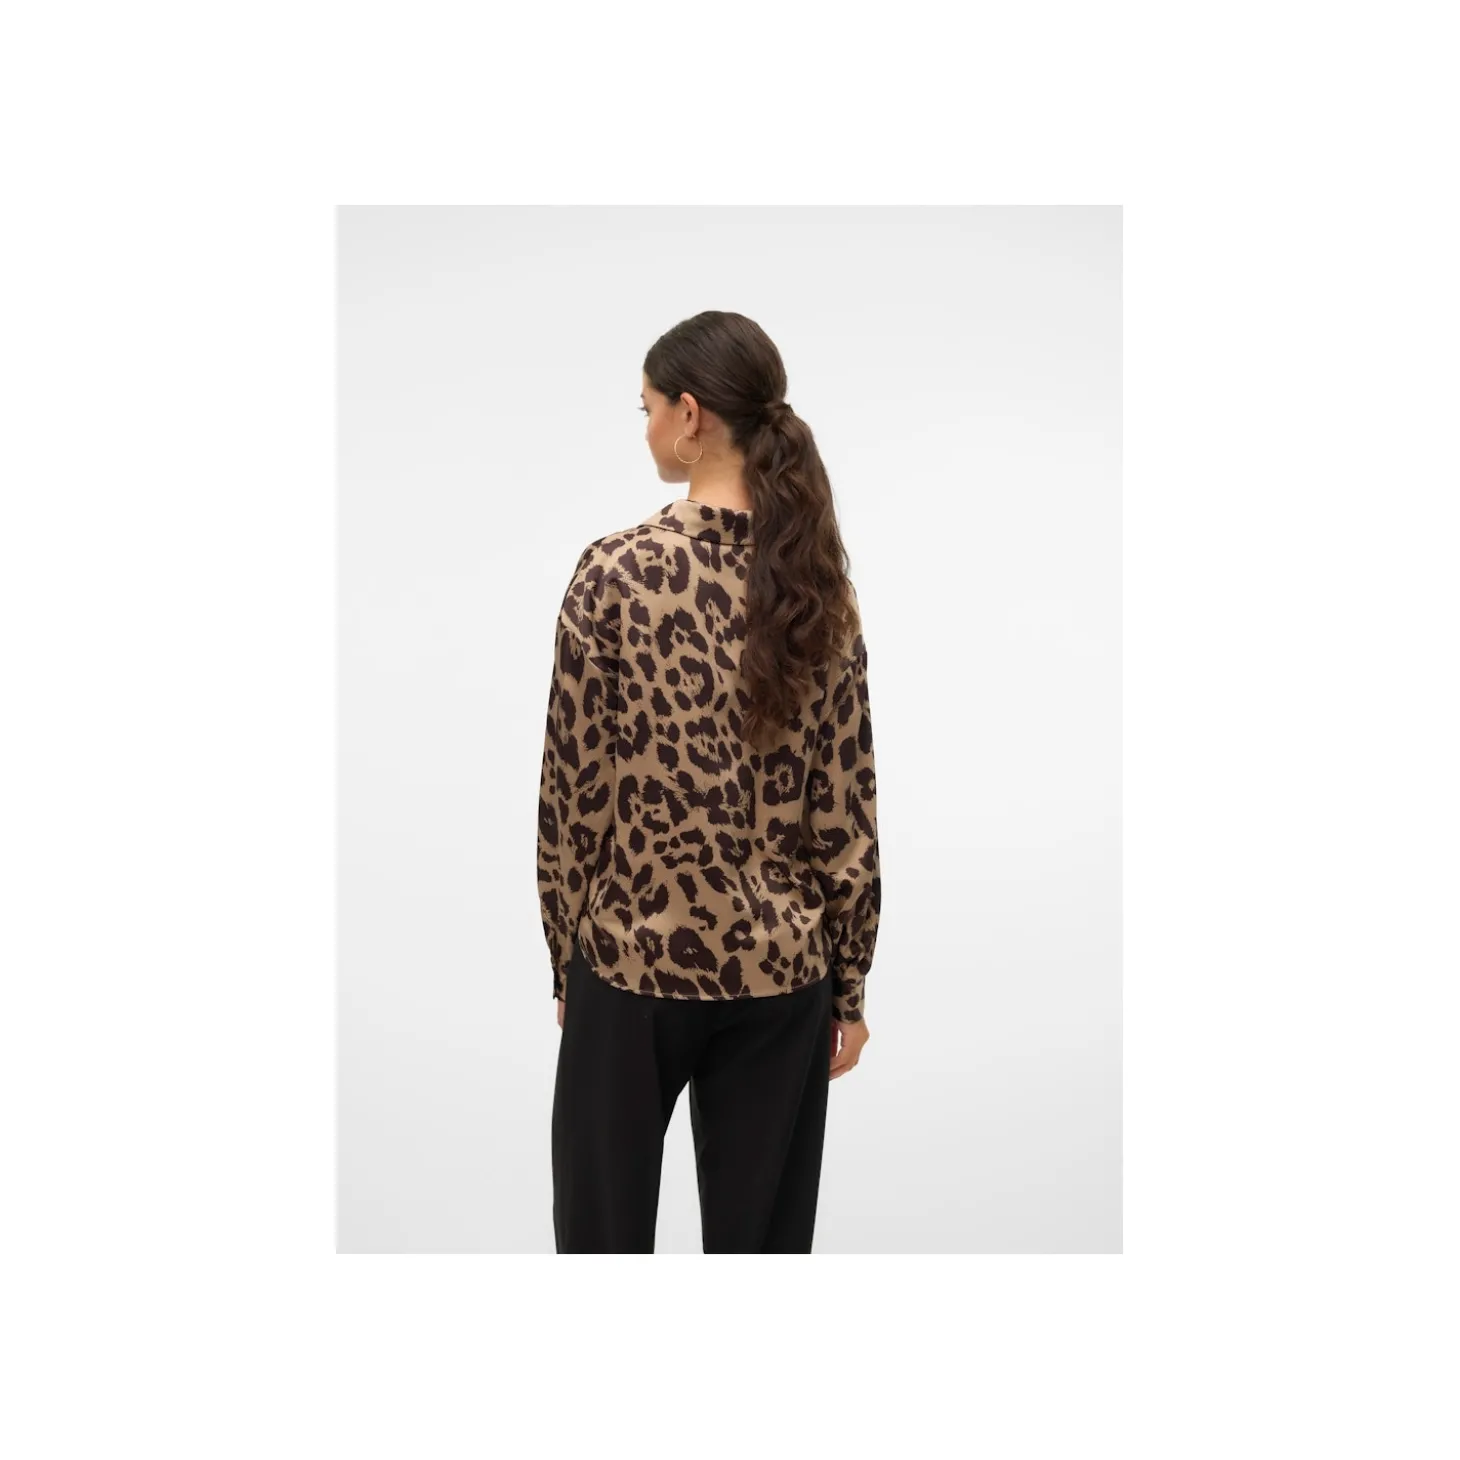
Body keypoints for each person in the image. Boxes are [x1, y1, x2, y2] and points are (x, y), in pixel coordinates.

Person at [536, 310, 881, 1254]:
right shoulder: (817, 586)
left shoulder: (613, 574)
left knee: (601, 1243)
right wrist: (849, 988)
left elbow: (573, 791)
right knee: (761, 1252)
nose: (646, 426)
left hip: (630, 965)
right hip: (782, 975)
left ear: (689, 415)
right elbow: (845, 805)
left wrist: (568, 958)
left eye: (647, 407)